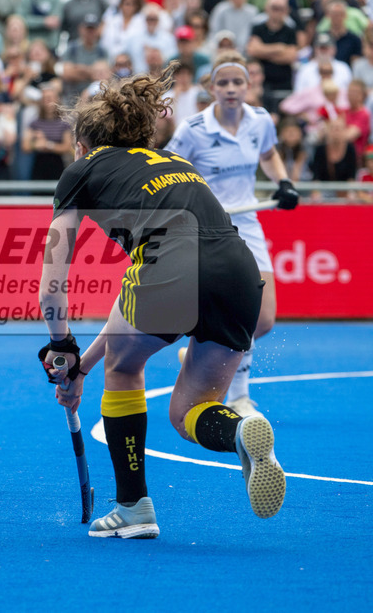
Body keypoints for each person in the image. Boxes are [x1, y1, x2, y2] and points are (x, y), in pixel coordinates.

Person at [40, 62, 286, 540]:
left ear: (83, 144)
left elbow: (52, 284)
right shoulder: (175, 163)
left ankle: (133, 507)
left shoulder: (79, 172)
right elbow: (127, 309)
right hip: (240, 271)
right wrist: (80, 365)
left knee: (124, 369)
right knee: (189, 410)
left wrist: (61, 346)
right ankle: (240, 431)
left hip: (169, 269)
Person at [166, 51, 300, 418]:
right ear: (211, 87)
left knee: (263, 319)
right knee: (225, 315)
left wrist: (283, 181)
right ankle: (239, 395)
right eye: (222, 83)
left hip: (248, 224)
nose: (230, 89)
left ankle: (199, 356)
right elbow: (169, 169)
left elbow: (268, 154)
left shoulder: (260, 121)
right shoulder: (193, 128)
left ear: (248, 86)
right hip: (207, 228)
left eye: (237, 82)